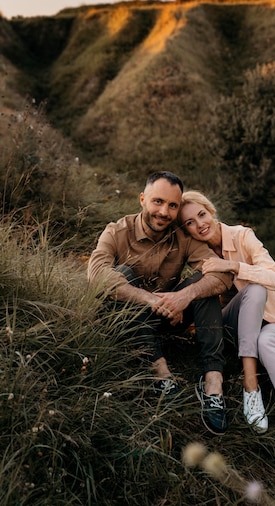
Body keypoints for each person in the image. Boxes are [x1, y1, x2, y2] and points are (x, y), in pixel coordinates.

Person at [179, 190, 275, 488]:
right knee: (251, 297)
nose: (199, 225)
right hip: (232, 328)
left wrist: (233, 266)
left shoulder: (242, 236)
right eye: (190, 222)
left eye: (201, 215)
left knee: (261, 315)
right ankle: (251, 383)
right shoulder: (196, 253)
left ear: (211, 211)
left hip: (272, 324)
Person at [87, 171, 234, 435]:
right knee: (124, 274)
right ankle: (161, 373)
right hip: (125, 323)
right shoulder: (117, 231)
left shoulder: (183, 237)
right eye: (158, 201)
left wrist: (184, 296)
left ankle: (213, 383)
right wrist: (152, 300)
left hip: (167, 322)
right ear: (142, 199)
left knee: (204, 283)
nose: (164, 212)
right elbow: (97, 276)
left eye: (172, 206)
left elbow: (221, 274)